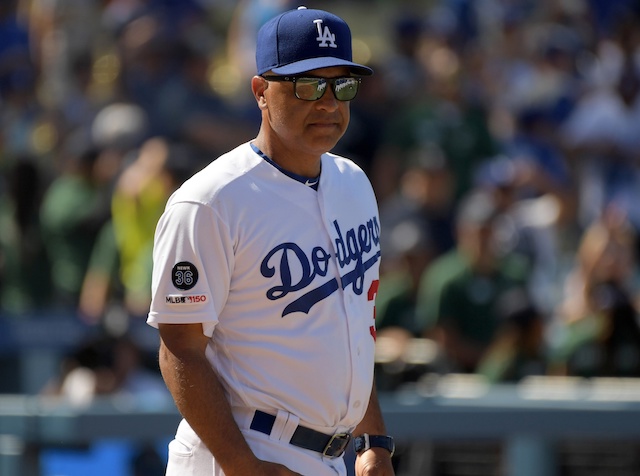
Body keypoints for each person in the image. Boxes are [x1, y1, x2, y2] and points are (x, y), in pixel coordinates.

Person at [147, 6, 395, 476]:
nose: (327, 103)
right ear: (261, 90)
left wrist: (373, 439)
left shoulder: (355, 184)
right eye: (307, 85)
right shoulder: (210, 202)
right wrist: (244, 466)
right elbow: (179, 349)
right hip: (244, 449)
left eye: (341, 84)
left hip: (331, 456)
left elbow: (353, 328)